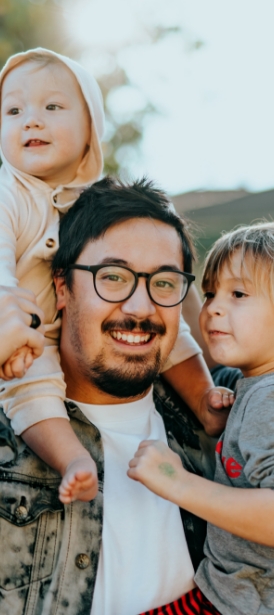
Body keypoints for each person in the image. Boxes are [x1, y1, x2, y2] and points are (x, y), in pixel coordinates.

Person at [0, 48, 232, 504]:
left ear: (91, 130)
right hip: (27, 338)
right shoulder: (11, 194)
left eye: (52, 107)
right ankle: (71, 459)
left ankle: (204, 400)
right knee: (32, 392)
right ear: (65, 282)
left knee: (174, 331)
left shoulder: (99, 204)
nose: (31, 120)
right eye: (13, 110)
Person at [0, 177, 221, 615]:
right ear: (61, 287)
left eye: (163, 283)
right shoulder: (10, 435)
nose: (140, 309)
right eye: (113, 277)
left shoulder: (229, 416)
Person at [129, 221, 274, 615]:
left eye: (238, 293)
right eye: (210, 293)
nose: (213, 308)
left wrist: (175, 482)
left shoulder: (268, 398)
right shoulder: (249, 383)